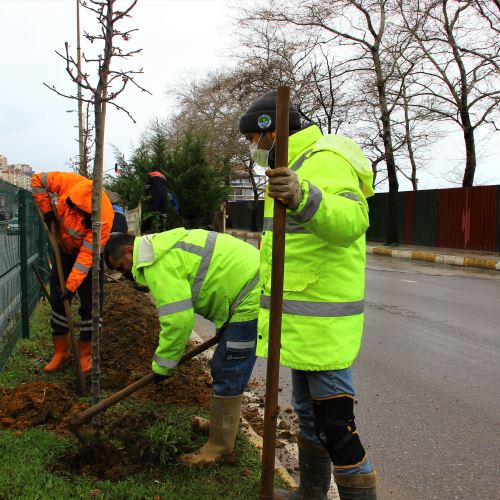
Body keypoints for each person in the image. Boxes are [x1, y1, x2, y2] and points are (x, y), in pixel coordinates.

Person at [239, 91, 377, 500]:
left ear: (273, 132)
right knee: (309, 418)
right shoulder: (292, 164)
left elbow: (352, 220)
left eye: (254, 139)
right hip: (300, 320)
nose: (253, 148)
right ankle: (311, 495)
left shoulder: (325, 160)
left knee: (337, 427)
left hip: (323, 322)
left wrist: (304, 197)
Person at [104, 229, 260, 464]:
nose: (126, 273)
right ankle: (221, 427)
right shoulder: (160, 246)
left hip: (252, 295)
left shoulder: (157, 263)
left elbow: (178, 321)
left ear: (129, 249)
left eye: (122, 266)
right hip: (247, 288)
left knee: (228, 368)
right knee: (223, 365)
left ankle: (219, 448)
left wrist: (163, 366)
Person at [31, 171, 114, 373]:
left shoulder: (102, 219)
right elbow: (37, 179)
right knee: (58, 301)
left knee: (91, 306)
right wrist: (46, 209)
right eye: (72, 207)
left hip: (87, 258)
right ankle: (61, 352)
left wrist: (71, 286)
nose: (74, 213)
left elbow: (87, 257)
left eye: (80, 212)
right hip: (63, 250)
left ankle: (85, 355)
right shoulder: (68, 183)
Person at [142, 166, 169, 233]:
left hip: (156, 195)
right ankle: (163, 229)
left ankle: (152, 229)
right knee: (163, 213)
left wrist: (147, 195)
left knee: (153, 211)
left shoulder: (151, 174)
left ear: (153, 170)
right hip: (164, 196)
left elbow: (147, 186)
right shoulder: (163, 177)